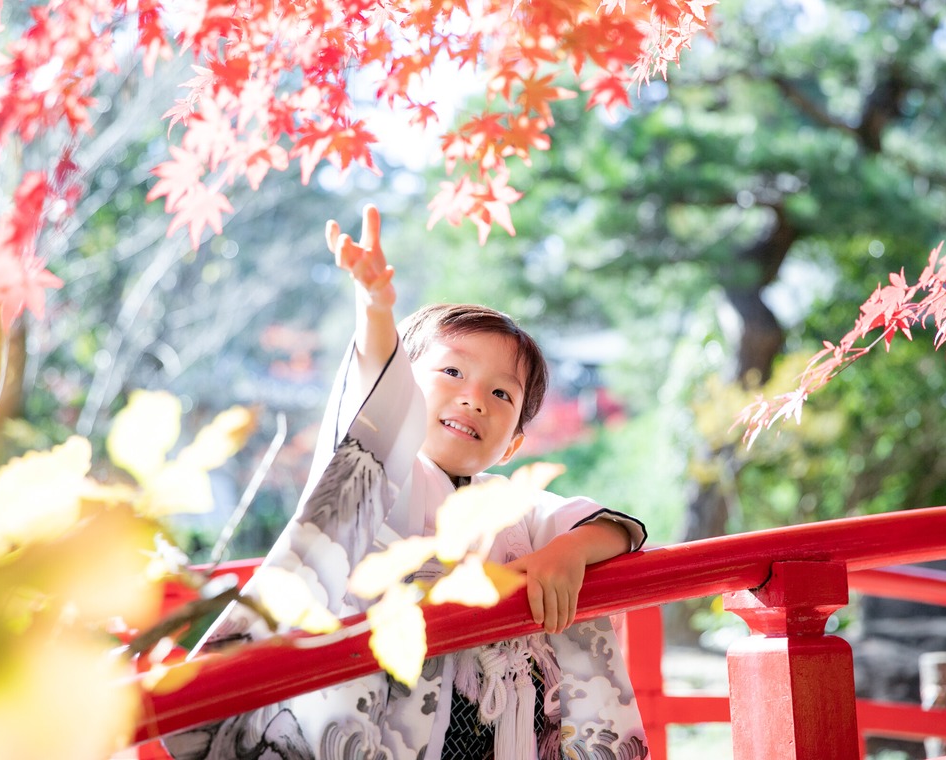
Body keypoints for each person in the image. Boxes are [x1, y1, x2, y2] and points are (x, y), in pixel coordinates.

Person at [164, 205, 650, 760]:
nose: (473, 398)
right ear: (404, 393)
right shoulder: (384, 483)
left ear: (513, 443)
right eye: (451, 371)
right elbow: (374, 411)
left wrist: (568, 551)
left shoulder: (511, 507)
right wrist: (375, 310)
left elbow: (611, 526)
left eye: (501, 394)